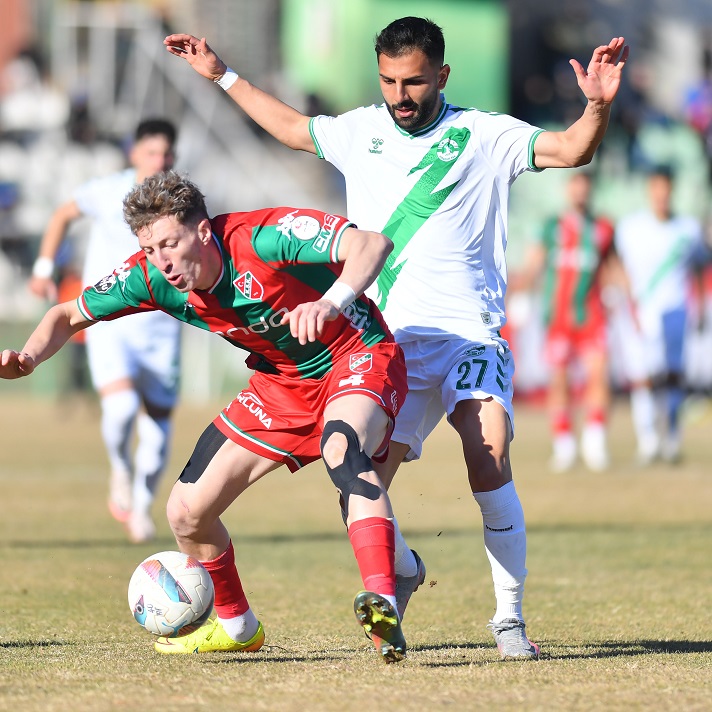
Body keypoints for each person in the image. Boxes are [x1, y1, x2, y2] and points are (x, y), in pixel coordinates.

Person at [164, 16, 628, 660]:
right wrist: (222, 75)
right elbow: (294, 129)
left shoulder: (487, 135)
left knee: (486, 453)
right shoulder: (360, 131)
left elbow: (573, 149)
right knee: (358, 482)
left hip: (469, 336)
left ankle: (509, 621)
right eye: (388, 81)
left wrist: (598, 105)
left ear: (441, 74)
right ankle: (403, 569)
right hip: (389, 344)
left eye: (413, 82)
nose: (399, 96)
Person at [2, 171, 409, 662]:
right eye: (151, 250)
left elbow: (372, 244)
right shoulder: (149, 277)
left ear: (202, 231)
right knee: (186, 513)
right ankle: (238, 628)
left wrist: (329, 302)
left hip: (355, 353)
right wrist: (26, 359)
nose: (162, 262)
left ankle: (383, 607)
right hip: (281, 384)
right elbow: (66, 316)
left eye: (170, 244)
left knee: (340, 447)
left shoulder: (264, 235)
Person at [29, 118, 182, 544]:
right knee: (119, 408)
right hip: (109, 321)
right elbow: (63, 213)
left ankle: (141, 506)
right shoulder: (109, 190)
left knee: (158, 429)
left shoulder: (181, 203)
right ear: (135, 153)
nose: (159, 161)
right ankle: (120, 469)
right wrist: (44, 269)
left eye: (166, 154)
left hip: (162, 327)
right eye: (151, 152)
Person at [518, 172, 617, 472]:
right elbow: (534, 264)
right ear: (567, 191)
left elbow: (612, 264)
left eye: (584, 189)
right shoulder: (553, 227)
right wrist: (521, 297)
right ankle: (564, 444)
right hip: (558, 318)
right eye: (575, 189)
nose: (579, 195)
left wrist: (621, 296)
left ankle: (595, 441)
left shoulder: (603, 228)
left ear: (590, 192)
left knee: (598, 375)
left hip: (592, 316)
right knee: (559, 380)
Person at [614, 166, 706, 464]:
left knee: (674, 377)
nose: (661, 194)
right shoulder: (631, 228)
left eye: (666, 188)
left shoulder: (688, 229)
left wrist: (701, 304)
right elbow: (619, 267)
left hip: (677, 309)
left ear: (672, 190)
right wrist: (628, 303)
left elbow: (699, 268)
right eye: (656, 187)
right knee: (644, 378)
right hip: (642, 311)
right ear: (649, 190)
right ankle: (649, 440)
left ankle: (673, 438)